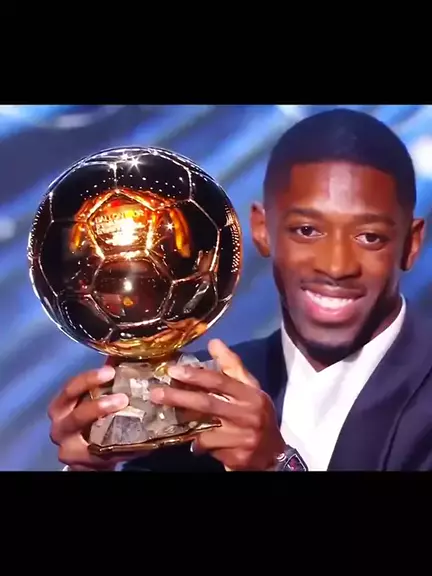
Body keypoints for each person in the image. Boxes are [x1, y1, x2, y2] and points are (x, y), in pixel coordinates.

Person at [48, 107, 432, 472]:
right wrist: (89, 468)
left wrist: (275, 464)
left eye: (369, 237)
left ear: (411, 244)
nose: (336, 266)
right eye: (306, 230)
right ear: (261, 230)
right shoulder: (194, 395)